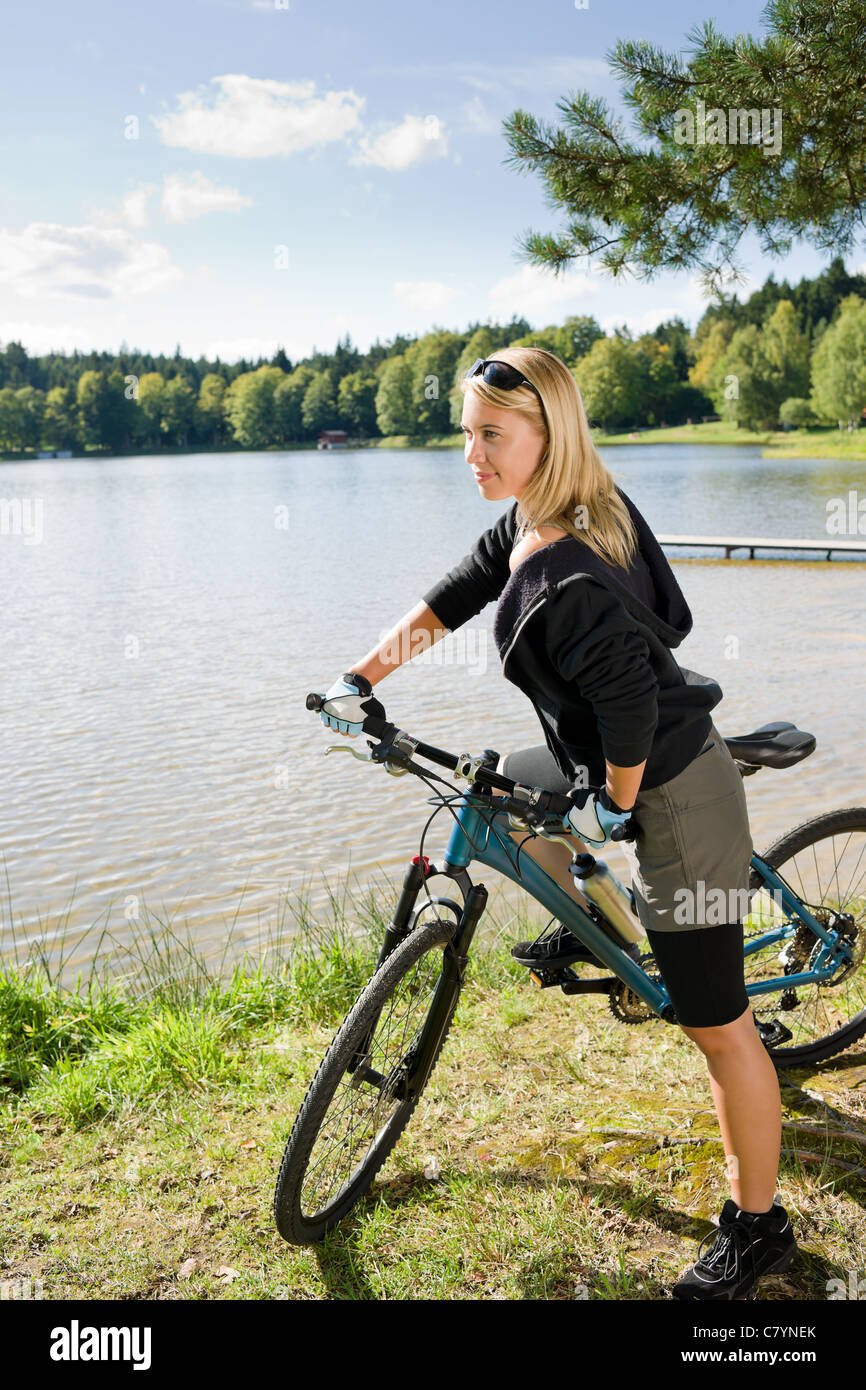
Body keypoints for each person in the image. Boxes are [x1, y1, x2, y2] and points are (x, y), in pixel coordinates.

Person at [317, 347, 797, 1301]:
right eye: (467, 434)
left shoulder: (569, 569)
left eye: (492, 436)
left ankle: (760, 1229)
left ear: (549, 434)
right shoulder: (560, 510)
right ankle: (604, 928)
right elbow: (461, 588)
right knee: (498, 791)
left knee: (717, 1025)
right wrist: (361, 677)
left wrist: (612, 804)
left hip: (674, 789)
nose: (472, 454)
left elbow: (626, 709)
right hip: (612, 757)